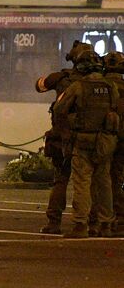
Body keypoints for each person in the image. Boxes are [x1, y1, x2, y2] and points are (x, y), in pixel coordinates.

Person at [53, 50, 119, 238]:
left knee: (82, 183)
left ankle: (80, 225)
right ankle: (105, 224)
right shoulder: (110, 86)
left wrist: (70, 125)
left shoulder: (78, 86)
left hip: (83, 141)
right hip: (105, 142)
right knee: (104, 182)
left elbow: (60, 109)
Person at [35, 41, 93, 234]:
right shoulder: (99, 82)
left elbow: (39, 85)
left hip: (61, 138)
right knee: (87, 182)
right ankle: (90, 222)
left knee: (61, 180)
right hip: (88, 139)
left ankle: (54, 222)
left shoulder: (61, 78)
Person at [102, 51, 124, 233]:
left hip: (105, 141)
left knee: (103, 180)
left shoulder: (103, 88)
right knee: (117, 178)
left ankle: (103, 219)